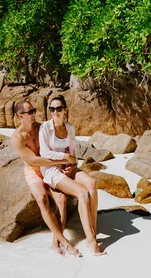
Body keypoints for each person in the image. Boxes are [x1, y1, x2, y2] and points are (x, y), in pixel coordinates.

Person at [10, 100, 81, 257]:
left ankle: (56, 242)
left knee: (62, 200)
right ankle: (66, 243)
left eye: (34, 110)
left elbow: (58, 145)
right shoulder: (17, 138)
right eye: (30, 112)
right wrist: (64, 160)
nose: (34, 114)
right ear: (20, 116)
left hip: (49, 168)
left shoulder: (42, 127)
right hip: (33, 170)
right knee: (42, 199)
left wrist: (71, 164)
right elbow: (34, 161)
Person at [39, 95, 106, 256]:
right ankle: (91, 241)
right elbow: (44, 152)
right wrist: (64, 158)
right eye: (52, 109)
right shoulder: (45, 128)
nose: (55, 112)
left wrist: (72, 164)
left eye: (58, 108)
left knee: (91, 184)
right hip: (51, 169)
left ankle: (92, 232)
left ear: (65, 110)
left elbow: (73, 152)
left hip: (68, 166)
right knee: (82, 193)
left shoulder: (70, 127)